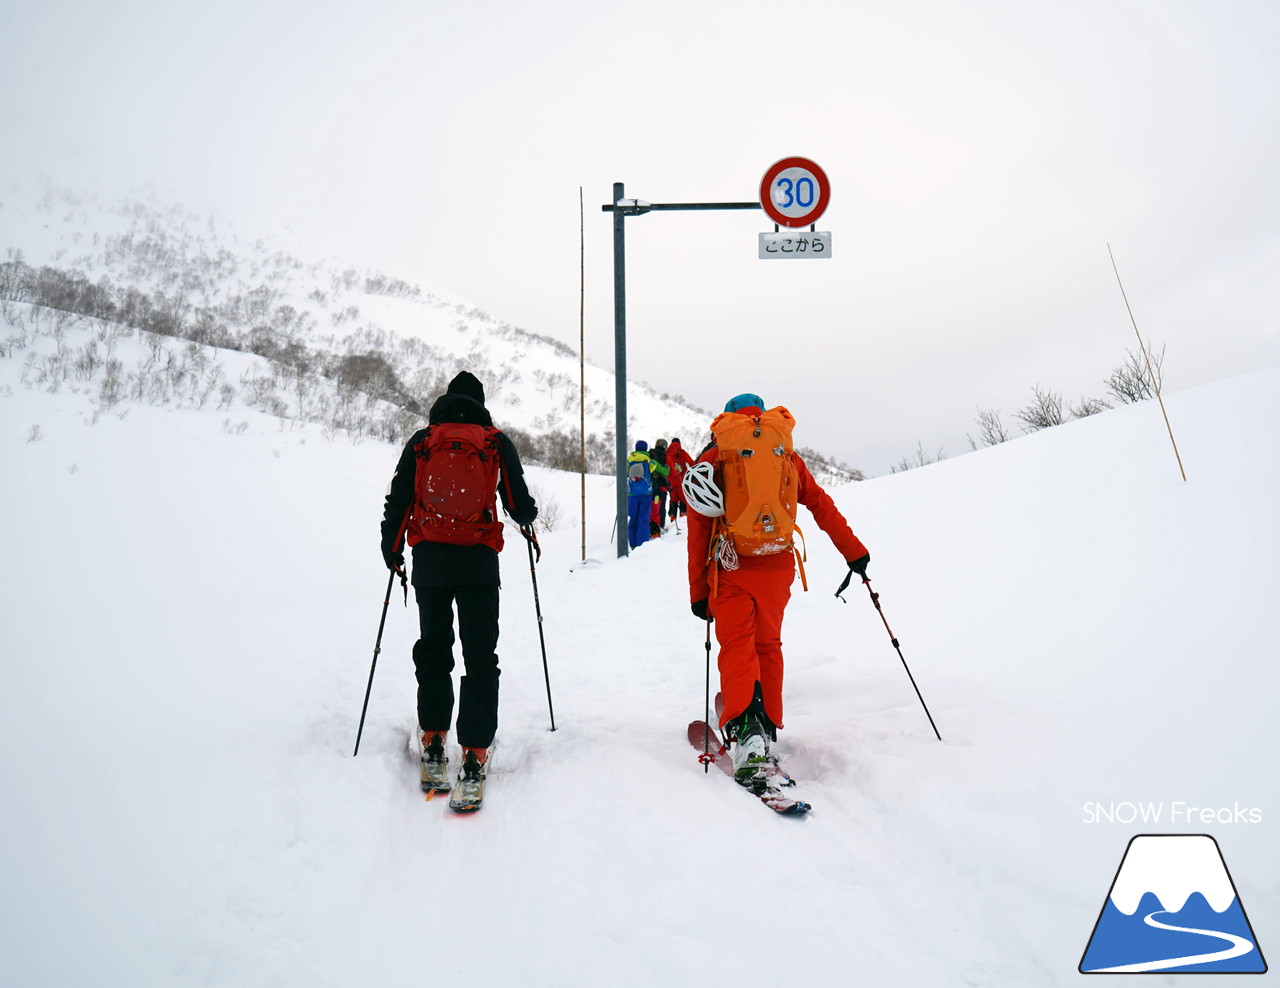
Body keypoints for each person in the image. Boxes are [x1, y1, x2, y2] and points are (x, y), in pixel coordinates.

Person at [685, 393, 870, 785]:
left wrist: (698, 591)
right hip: (778, 566)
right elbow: (821, 505)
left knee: (737, 644)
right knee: (767, 645)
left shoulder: (717, 457)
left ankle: (747, 737)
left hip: (732, 566)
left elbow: (699, 529)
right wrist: (855, 553)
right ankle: (766, 729)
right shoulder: (786, 455)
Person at [380, 371, 537, 796]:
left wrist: (392, 551)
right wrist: (527, 518)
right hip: (479, 562)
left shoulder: (422, 440)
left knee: (433, 646)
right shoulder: (494, 441)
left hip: (430, 559)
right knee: (480, 654)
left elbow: (400, 499)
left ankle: (433, 740)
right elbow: (519, 504)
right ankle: (473, 751)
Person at [626, 440, 661, 549]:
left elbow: (624, 473)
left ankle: (632, 544)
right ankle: (641, 546)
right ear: (645, 449)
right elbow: (655, 468)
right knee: (644, 519)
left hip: (631, 494)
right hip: (646, 494)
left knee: (633, 518)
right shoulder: (648, 460)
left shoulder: (628, 460)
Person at [665, 437, 695, 523]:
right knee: (683, 497)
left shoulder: (668, 453)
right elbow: (691, 462)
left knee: (673, 498)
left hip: (671, 480)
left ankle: (672, 516)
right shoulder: (682, 452)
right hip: (682, 479)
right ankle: (683, 513)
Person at [649, 438, 671, 537]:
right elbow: (666, 472)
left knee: (650, 507)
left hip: (648, 486)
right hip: (661, 486)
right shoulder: (665, 456)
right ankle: (659, 527)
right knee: (660, 508)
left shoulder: (649, 454)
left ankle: (649, 526)